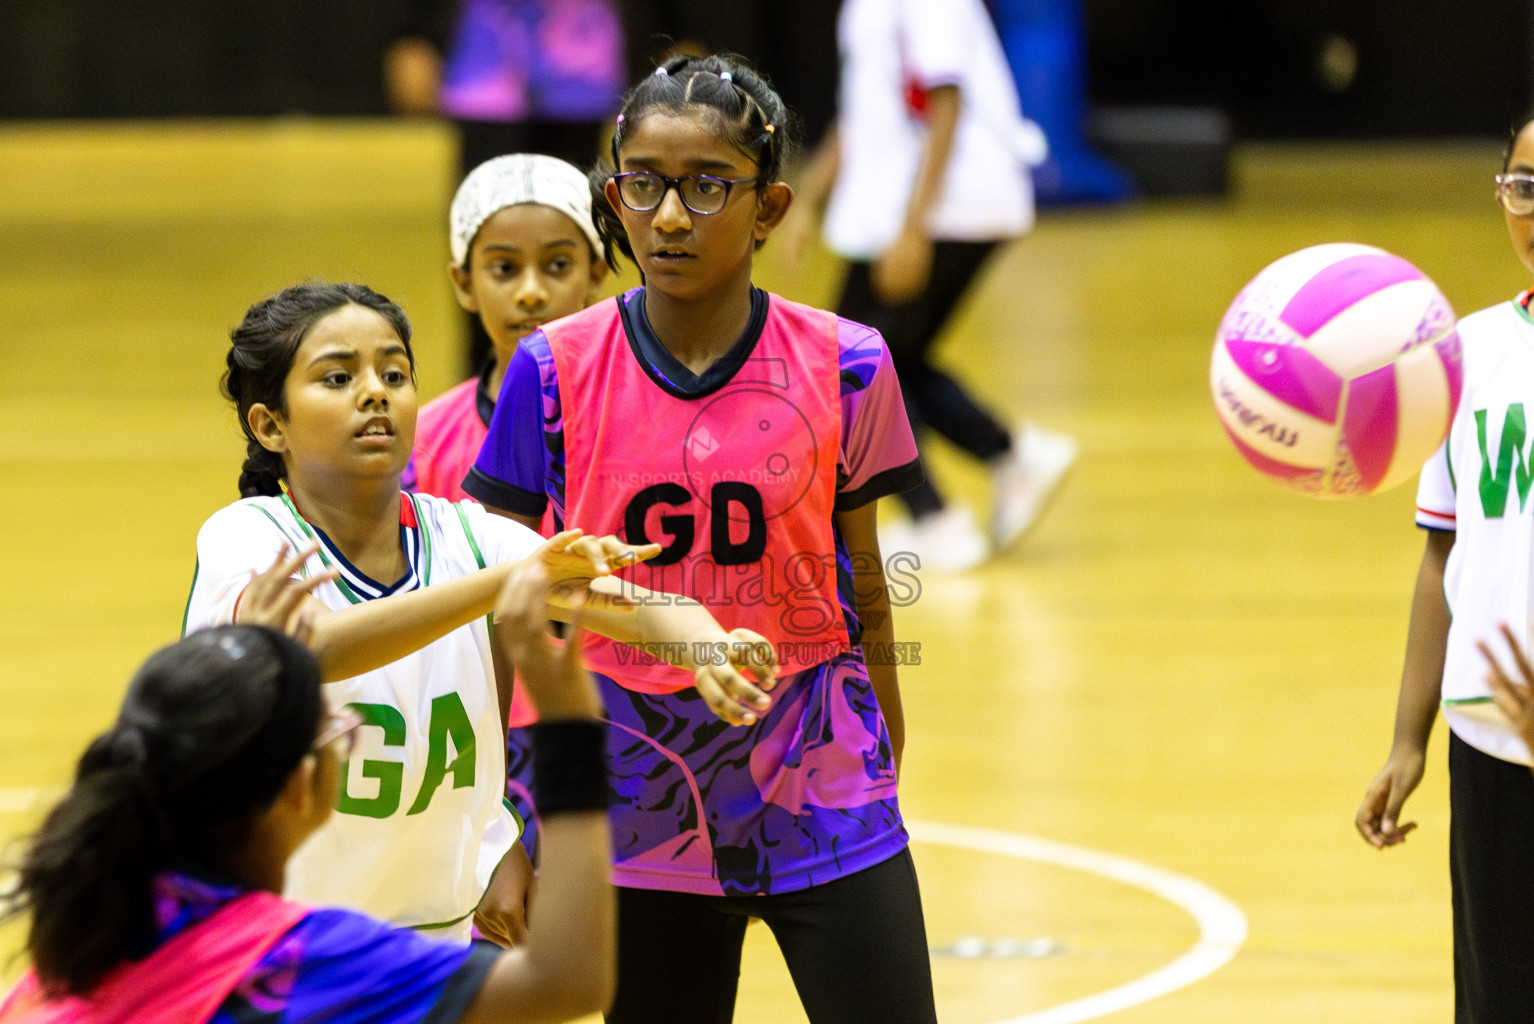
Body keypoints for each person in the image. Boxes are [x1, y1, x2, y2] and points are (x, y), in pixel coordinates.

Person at [464, 53, 938, 1024]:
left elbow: (865, 582)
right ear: (614, 198)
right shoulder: (550, 372)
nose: (671, 216)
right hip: (635, 798)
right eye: (644, 185)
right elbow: (499, 608)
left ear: (769, 209)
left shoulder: (849, 364)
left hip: (823, 775)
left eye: (707, 186)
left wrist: (883, 748)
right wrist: (501, 823)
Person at [183, 282, 777, 947]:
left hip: (431, 938)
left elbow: (633, 610)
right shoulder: (247, 538)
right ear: (270, 425)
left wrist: (710, 648)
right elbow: (312, 648)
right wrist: (506, 583)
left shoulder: (467, 538)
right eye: (338, 377)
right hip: (276, 940)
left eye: (394, 374)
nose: (375, 392)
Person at [0, 557, 616, 1024]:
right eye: (331, 724)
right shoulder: (299, 960)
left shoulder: (105, 909)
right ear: (298, 785)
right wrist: (568, 727)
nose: (347, 726)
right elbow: (566, 983)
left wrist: (257, 675)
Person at [781, 0, 1077, 570]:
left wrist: (913, 228)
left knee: (849, 367)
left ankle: (937, 520)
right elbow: (864, 110)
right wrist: (808, 199)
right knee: (893, 360)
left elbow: (946, 102)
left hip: (946, 208)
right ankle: (1013, 456)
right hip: (919, 211)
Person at [1354, 114, 1534, 1021]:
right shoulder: (1467, 356)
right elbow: (1442, 554)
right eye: (1526, 186)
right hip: (1491, 741)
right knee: (1497, 995)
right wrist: (1408, 739)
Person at [404, 151, 611, 863]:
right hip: (481, 737)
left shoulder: (628, 421)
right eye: (503, 268)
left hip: (618, 727)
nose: (530, 292)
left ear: (597, 274)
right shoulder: (424, 439)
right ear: (463, 282)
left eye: (557, 265)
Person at [383, 0, 626, 375]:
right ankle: (488, 386)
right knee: (487, 238)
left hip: (577, 67)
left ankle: (575, 379)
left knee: (573, 237)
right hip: (488, 72)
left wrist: (682, 27)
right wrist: (411, 31)